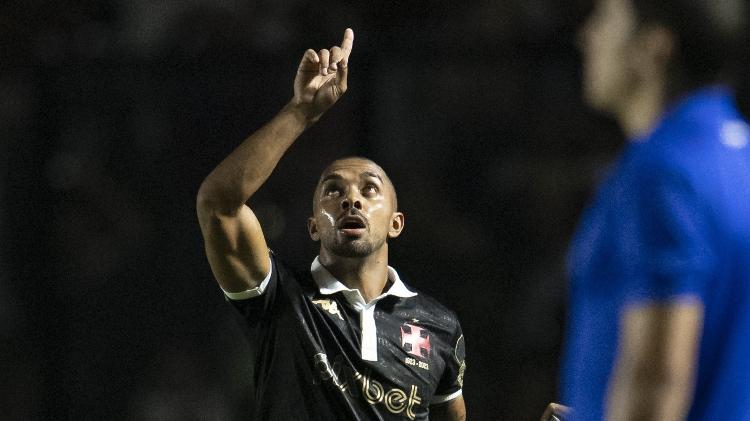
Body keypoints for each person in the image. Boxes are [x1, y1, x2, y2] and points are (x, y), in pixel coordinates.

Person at [196, 28, 467, 421]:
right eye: (333, 190)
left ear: (396, 223)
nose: (351, 199)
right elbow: (217, 204)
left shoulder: (440, 326)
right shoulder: (278, 299)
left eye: (370, 189)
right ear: (313, 228)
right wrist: (300, 111)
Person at [560, 0, 750, 420]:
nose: (586, 35)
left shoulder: (659, 172)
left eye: (606, 18)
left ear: (653, 47)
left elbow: (658, 377)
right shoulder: (741, 161)